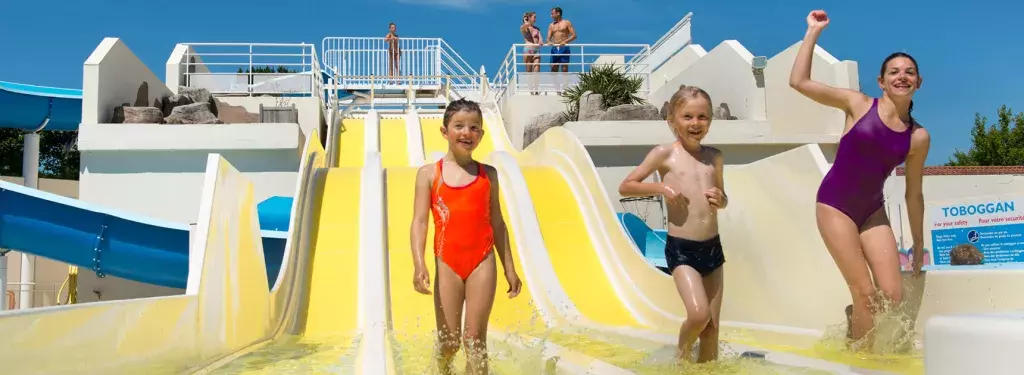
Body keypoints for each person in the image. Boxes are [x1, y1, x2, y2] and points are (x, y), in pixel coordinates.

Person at [789, 9, 930, 350]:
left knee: (893, 295)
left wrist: (918, 242)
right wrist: (812, 32)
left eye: (909, 72)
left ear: (918, 82)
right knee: (865, 293)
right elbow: (799, 83)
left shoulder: (918, 137)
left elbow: (914, 195)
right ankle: (860, 360)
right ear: (881, 82)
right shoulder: (857, 104)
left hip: (871, 211)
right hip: (835, 205)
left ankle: (857, 326)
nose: (902, 76)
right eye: (894, 72)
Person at [410, 98, 523, 375]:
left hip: (482, 261)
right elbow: (420, 221)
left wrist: (510, 268)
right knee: (449, 344)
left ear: (482, 135)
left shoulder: (489, 175)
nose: (467, 133)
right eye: (459, 126)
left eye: (474, 128)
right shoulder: (428, 174)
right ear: (444, 131)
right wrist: (419, 264)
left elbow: (497, 222)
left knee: (474, 340)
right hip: (447, 263)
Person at [618, 85, 727, 364]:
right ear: (672, 120)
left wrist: (721, 199)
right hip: (682, 249)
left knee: (712, 329)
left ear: (710, 120)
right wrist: (662, 188)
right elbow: (626, 186)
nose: (695, 123)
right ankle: (680, 360)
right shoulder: (664, 154)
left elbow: (723, 198)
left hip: (713, 248)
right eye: (688, 116)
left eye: (703, 117)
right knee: (699, 315)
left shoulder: (714, 157)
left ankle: (707, 371)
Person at [546, 7, 576, 93]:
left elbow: (574, 35)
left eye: (552, 13)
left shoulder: (566, 22)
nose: (551, 15)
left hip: (564, 47)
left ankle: (565, 89)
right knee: (553, 69)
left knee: (564, 69)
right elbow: (548, 38)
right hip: (555, 48)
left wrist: (565, 41)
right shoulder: (551, 25)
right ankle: (557, 89)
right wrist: (549, 42)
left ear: (558, 13)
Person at [520, 11, 544, 95]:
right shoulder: (524, 27)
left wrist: (541, 41)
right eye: (534, 17)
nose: (535, 18)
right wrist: (525, 20)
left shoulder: (537, 28)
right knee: (529, 71)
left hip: (536, 50)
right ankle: (531, 91)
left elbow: (540, 38)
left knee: (537, 70)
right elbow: (524, 26)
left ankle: (536, 89)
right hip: (528, 50)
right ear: (529, 18)